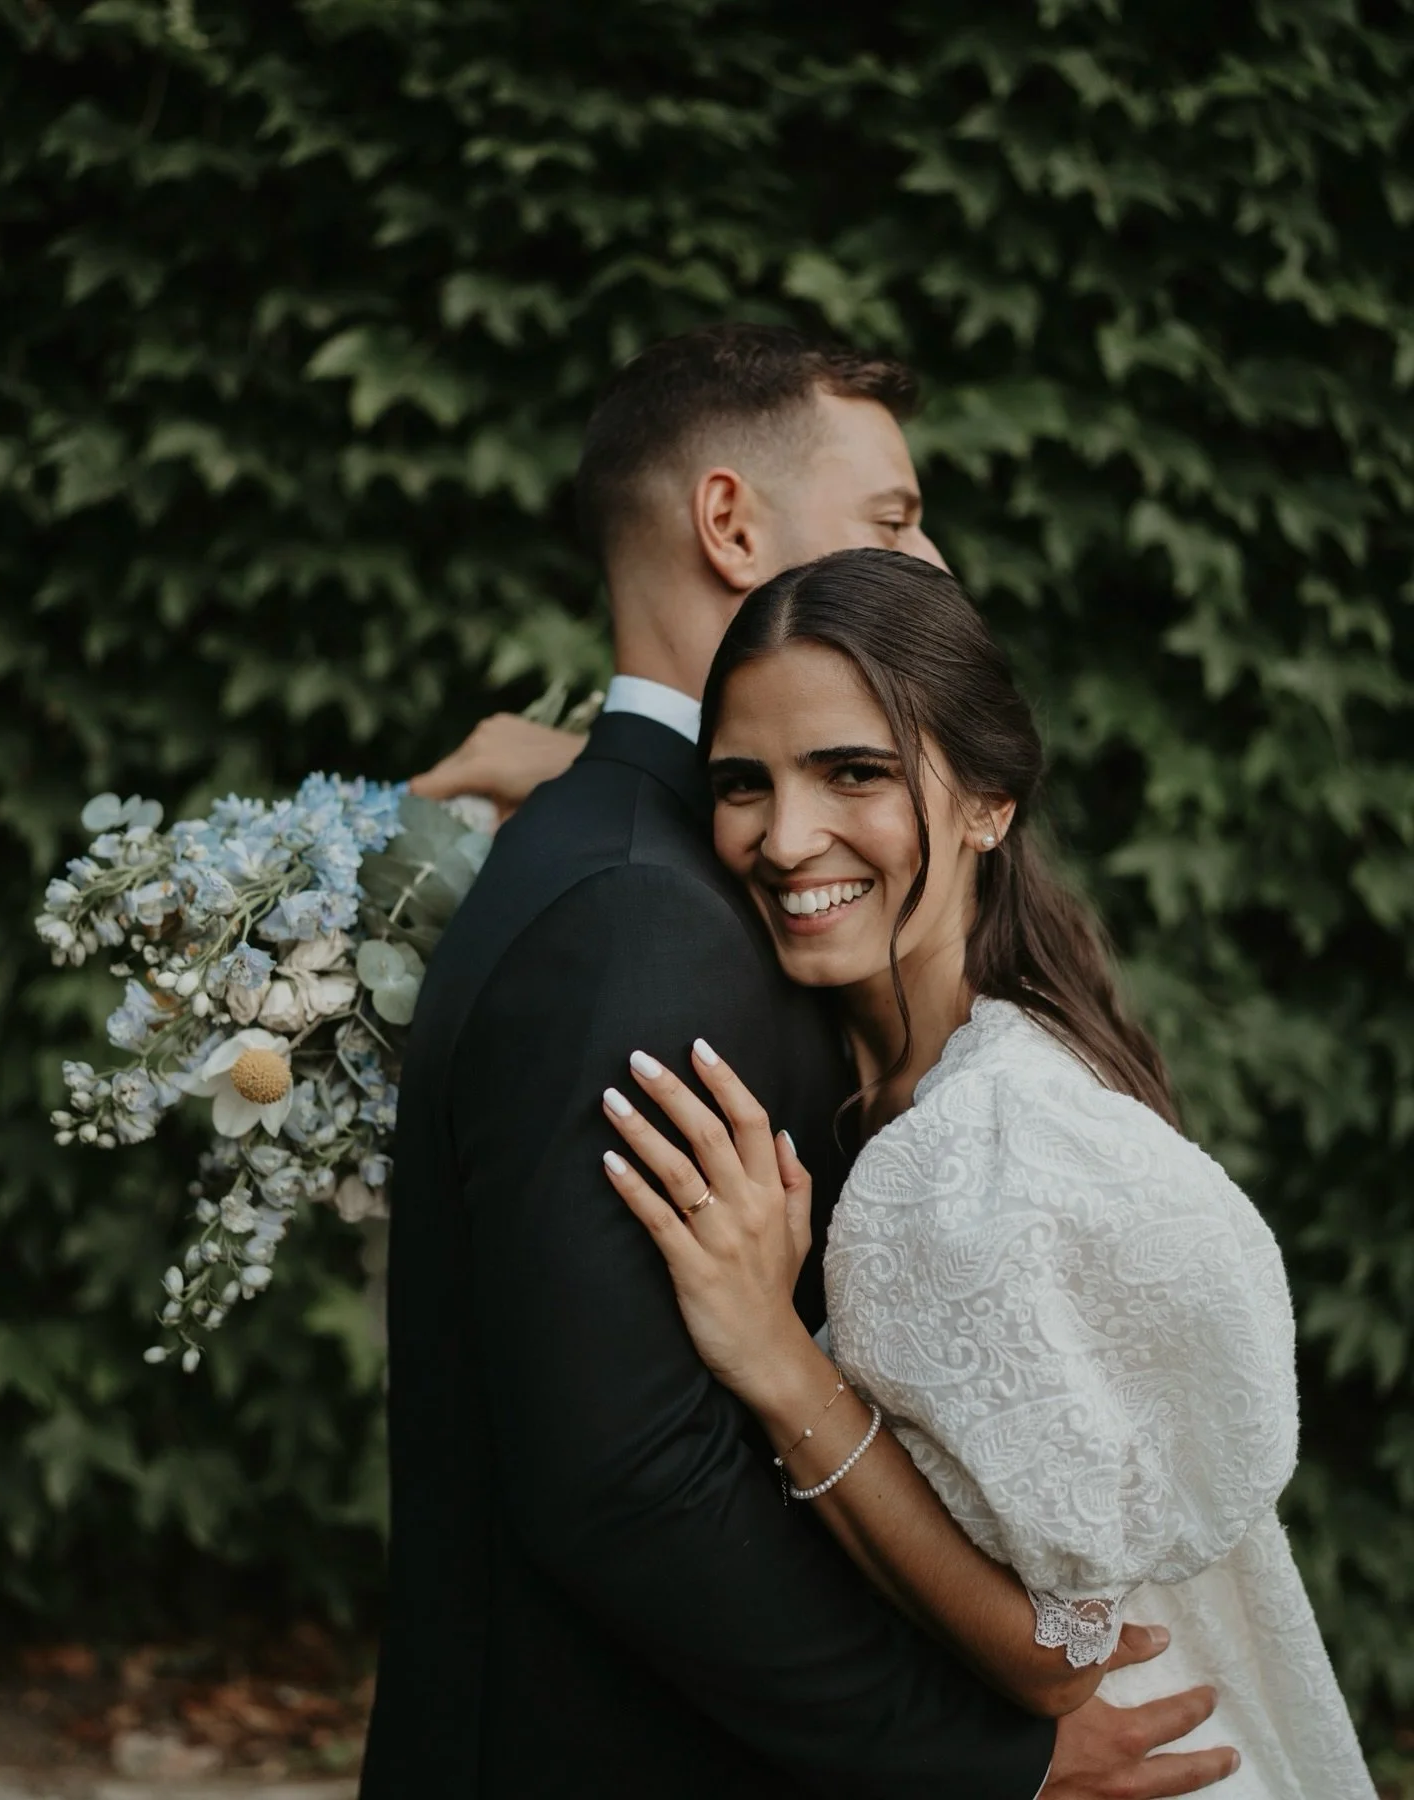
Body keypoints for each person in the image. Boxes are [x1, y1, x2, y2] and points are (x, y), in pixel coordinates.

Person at [361, 325, 1237, 1798]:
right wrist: (979, 1760)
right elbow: (628, 1480)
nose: (934, 560)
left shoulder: (640, 858)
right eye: (894, 519)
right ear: (729, 524)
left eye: (851, 773)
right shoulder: (643, 913)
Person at [597, 546, 1376, 1800]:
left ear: (987, 803)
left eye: (853, 771)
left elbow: (1057, 1659)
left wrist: (772, 1354)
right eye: (745, 782)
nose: (787, 838)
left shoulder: (981, 1145)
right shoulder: (948, 1047)